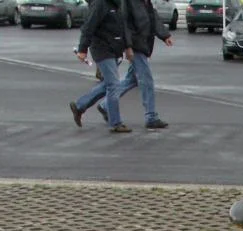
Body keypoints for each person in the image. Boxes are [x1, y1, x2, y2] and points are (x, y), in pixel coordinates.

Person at [91, 0, 172, 130]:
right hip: (135, 45)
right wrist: (128, 46)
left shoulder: (146, 2)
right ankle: (151, 116)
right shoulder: (128, 2)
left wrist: (164, 35)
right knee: (146, 80)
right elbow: (124, 24)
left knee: (131, 80)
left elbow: (152, 18)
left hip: (142, 44)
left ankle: (105, 105)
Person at [70, 0, 132, 134]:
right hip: (102, 49)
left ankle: (80, 105)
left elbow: (122, 27)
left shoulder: (118, 4)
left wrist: (127, 47)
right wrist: (82, 49)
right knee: (114, 85)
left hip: (114, 49)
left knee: (109, 84)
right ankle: (116, 123)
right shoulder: (100, 4)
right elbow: (88, 27)